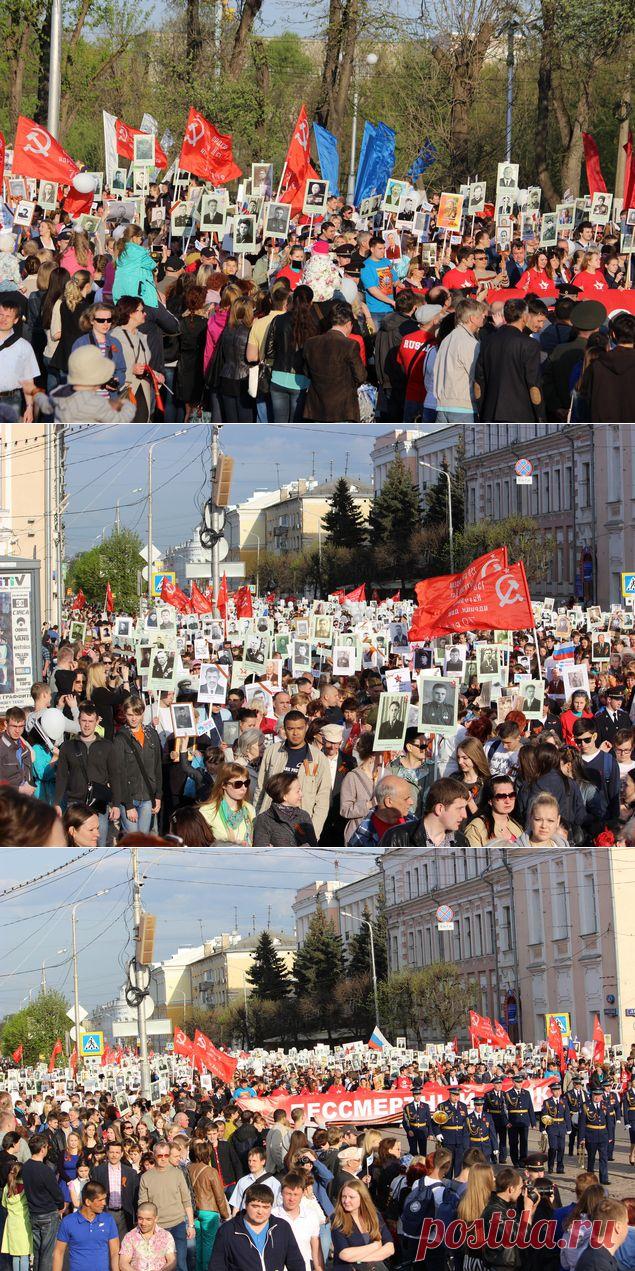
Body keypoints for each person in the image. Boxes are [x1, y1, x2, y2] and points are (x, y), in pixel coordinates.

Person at [255, 711, 331, 838]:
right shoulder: (271, 752)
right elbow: (260, 789)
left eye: (300, 728)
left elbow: (323, 800)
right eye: (290, 729)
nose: (295, 733)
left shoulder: (319, 758)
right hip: (269, 822)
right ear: (284, 729)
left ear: (306, 728)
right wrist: (257, 820)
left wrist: (313, 832)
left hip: (300, 827)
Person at [209, 1183, 305, 1271]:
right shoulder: (228, 1231)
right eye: (255, 1206)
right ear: (246, 1205)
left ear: (271, 1207)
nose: (260, 1211)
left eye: (265, 1207)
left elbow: (296, 1263)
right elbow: (217, 1266)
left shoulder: (282, 1228)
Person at [302, 302, 366, 422]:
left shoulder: (311, 343)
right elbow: (360, 376)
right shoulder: (350, 345)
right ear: (348, 324)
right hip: (342, 408)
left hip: (317, 406)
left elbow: (306, 371)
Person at [138, 1144, 194, 1271]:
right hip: (157, 1228)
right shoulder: (146, 1177)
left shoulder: (178, 1173)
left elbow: (186, 1200)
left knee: (180, 1264)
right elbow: (143, 1205)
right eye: (160, 1155)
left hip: (178, 1225)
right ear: (154, 1155)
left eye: (166, 1155)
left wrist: (190, 1225)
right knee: (158, 1265)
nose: (163, 1158)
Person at [113, 696, 162, 835]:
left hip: (147, 796)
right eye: (130, 715)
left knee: (143, 839)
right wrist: (128, 805)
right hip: (128, 796)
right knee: (133, 838)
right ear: (124, 714)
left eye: (137, 714)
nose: (133, 719)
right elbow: (119, 772)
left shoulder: (151, 734)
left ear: (142, 714)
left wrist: (158, 795)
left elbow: (157, 767)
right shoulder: (120, 737)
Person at [433, 297, 486, 421]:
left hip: (443, 404)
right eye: (481, 315)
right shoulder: (468, 342)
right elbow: (476, 375)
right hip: (462, 405)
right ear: (472, 318)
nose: (484, 317)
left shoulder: (447, 339)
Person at [379, 776, 469, 846]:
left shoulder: (461, 841)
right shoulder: (397, 837)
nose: (464, 815)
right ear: (439, 809)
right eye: (459, 808)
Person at [21, 1134, 64, 1271]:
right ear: (43, 1149)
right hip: (48, 1214)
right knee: (47, 1253)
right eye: (46, 1147)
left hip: (33, 1214)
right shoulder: (45, 1170)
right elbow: (56, 1193)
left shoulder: (26, 1167)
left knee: (38, 1252)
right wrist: (61, 1206)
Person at [52, 1182, 118, 1271]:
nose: (104, 1203)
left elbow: (115, 1252)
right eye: (100, 1200)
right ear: (88, 1202)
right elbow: (58, 1252)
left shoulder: (108, 1220)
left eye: (105, 1199)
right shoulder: (68, 1221)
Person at [330, 1179, 394, 1271]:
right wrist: (375, 1246)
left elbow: (389, 1248)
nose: (346, 1201)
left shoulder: (374, 1216)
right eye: (344, 1196)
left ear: (362, 1197)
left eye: (351, 1197)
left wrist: (360, 1259)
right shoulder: (337, 1219)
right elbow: (344, 1254)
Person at [186, 1143, 228, 1271]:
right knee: (209, 1245)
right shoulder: (211, 1171)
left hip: (194, 1212)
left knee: (198, 1245)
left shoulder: (188, 1168)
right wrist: (225, 1214)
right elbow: (219, 1196)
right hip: (209, 1211)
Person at [252, 772, 318, 845]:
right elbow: (262, 852)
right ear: (284, 796)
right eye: (298, 791)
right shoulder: (264, 820)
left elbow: (314, 847)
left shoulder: (304, 816)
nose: (301, 794)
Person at [90, 1140, 138, 1237]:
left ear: (122, 1154)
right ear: (107, 1153)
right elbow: (93, 1193)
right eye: (111, 1152)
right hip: (105, 1212)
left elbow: (134, 1196)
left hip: (124, 1214)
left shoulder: (131, 1173)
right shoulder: (98, 1171)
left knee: (123, 1244)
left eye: (117, 1152)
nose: (114, 1155)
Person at [198, 762, 255, 843]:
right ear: (224, 785)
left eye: (246, 783)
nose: (244, 788)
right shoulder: (207, 811)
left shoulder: (249, 809)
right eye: (238, 784)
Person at [464, 776, 523, 845]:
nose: (508, 801)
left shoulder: (517, 826)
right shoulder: (476, 828)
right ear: (490, 800)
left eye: (512, 795)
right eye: (501, 796)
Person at [119, 1202, 177, 1271]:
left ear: (156, 1219)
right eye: (140, 1219)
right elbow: (123, 1263)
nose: (143, 1223)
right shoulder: (130, 1237)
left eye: (148, 1219)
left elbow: (172, 1261)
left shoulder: (166, 1236)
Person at [2, 1161, 33, 1271]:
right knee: (24, 1255)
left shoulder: (7, 1187)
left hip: (11, 1224)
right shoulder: (26, 1186)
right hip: (24, 1224)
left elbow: (4, 1204)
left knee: (15, 1255)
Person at [540, 1079, 571, 1175]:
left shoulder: (564, 1101)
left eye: (559, 1090)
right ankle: (550, 1166)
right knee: (553, 1147)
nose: (557, 1092)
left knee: (561, 1148)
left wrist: (569, 1128)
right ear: (551, 1091)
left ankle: (560, 1167)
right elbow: (544, 1116)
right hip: (552, 1127)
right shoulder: (547, 1102)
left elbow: (567, 1115)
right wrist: (543, 1129)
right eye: (555, 1090)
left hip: (561, 1127)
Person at [504, 1074, 536, 1167]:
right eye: (517, 1082)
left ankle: (523, 1160)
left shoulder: (526, 1093)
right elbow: (504, 1110)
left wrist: (533, 1122)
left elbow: (530, 1108)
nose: (520, 1083)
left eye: (521, 1082)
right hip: (513, 1121)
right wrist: (506, 1122)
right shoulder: (508, 1094)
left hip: (524, 1121)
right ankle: (515, 1161)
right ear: (513, 1082)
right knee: (513, 1142)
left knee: (524, 1142)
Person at [579, 1090, 610, 1185]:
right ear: (591, 1095)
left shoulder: (605, 1104)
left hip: (603, 1135)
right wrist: (582, 1138)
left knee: (604, 1157)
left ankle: (604, 1178)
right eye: (595, 1095)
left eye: (599, 1095)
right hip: (591, 1135)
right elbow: (582, 1123)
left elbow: (609, 1121)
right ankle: (590, 1179)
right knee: (591, 1158)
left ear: (602, 1096)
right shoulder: (585, 1105)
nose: (597, 1097)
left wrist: (611, 1135)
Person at [402, 1083, 432, 1156]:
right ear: (413, 1095)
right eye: (416, 1095)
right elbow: (405, 1121)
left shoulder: (425, 1106)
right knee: (413, 1152)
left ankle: (423, 1166)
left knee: (423, 1152)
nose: (418, 1097)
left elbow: (429, 1120)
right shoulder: (408, 1107)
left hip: (422, 1131)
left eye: (419, 1095)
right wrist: (408, 1130)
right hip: (412, 1131)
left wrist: (430, 1133)